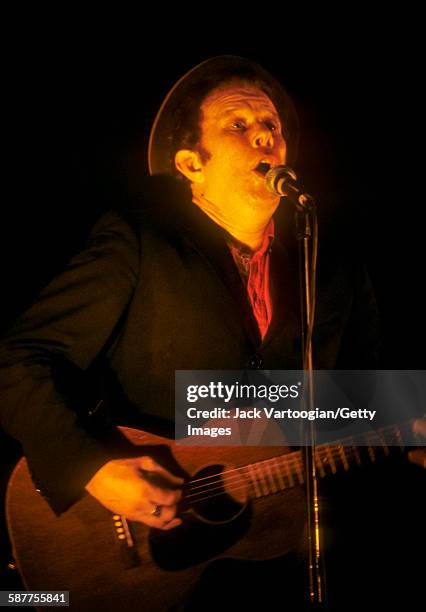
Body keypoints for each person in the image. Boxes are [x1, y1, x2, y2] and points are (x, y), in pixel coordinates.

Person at [0, 56, 424, 610]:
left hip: (276, 556)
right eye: (239, 126)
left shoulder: (333, 263)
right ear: (190, 164)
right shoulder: (139, 242)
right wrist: (92, 467)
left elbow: (356, 399)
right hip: (134, 536)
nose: (266, 137)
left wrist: (407, 430)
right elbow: (20, 358)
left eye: (270, 126)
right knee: (33, 604)